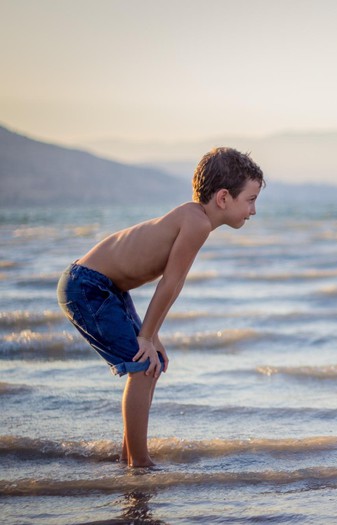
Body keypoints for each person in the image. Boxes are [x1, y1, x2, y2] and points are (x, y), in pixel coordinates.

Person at [57, 147, 264, 467]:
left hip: (107, 288)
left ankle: (129, 456)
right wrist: (146, 337)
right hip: (87, 286)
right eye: (250, 200)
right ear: (223, 198)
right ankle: (139, 464)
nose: (253, 210)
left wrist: (152, 337)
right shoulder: (196, 223)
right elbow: (171, 283)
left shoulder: (195, 218)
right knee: (141, 366)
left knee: (154, 362)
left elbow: (169, 284)